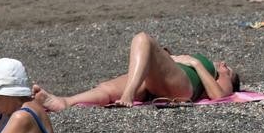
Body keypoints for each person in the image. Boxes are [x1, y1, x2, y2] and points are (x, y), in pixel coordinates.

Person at [32, 32, 238, 109]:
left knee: (142, 39)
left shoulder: (218, 74)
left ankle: (129, 94)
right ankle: (64, 102)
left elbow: (219, 96)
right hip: (161, 82)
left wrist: (196, 64)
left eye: (229, 69)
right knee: (107, 89)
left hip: (183, 87)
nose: (224, 65)